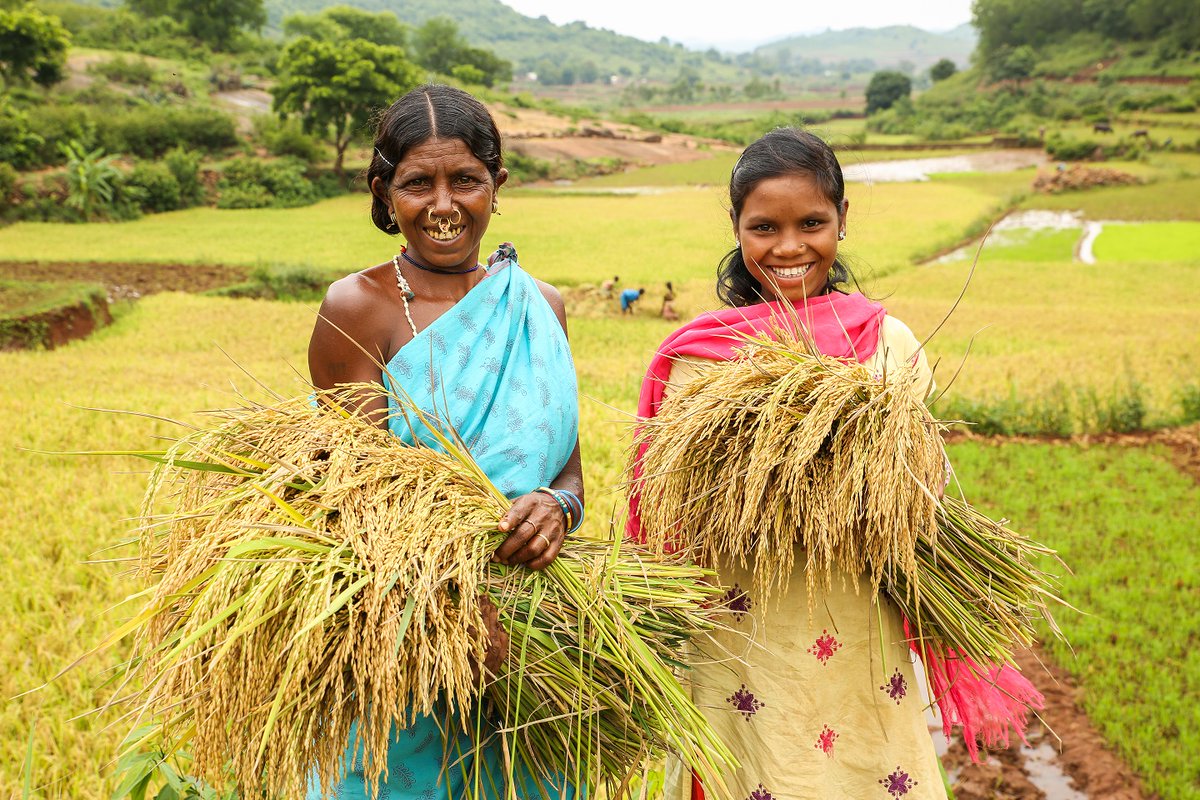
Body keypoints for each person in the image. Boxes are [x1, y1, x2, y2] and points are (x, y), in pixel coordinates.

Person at [628, 128, 947, 799]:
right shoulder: (700, 358)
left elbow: (922, 489)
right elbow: (668, 501)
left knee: (864, 767)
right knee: (750, 770)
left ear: (841, 220)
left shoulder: (889, 344)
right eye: (764, 227)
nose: (790, 246)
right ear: (738, 228)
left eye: (812, 223)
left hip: (855, 619)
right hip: (742, 625)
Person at [307, 84, 583, 800]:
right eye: (417, 182)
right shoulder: (357, 309)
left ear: (498, 185)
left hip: (533, 643)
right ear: (383, 191)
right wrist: (460, 604)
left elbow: (570, 473)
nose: (443, 204)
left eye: (465, 179)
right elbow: (359, 500)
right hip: (408, 634)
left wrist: (556, 509)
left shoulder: (540, 305)